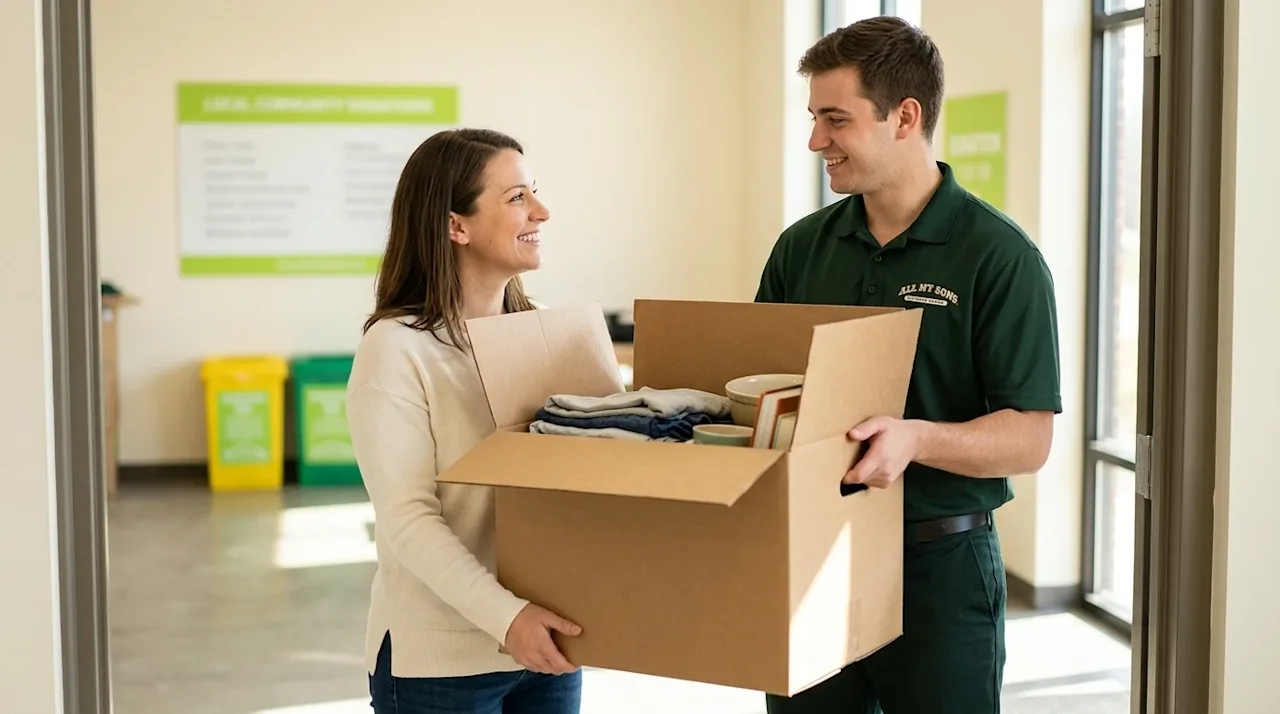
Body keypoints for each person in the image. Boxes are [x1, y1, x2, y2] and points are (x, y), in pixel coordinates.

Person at [756, 17, 1061, 714]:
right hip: (812, 559)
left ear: (906, 117)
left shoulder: (1000, 257)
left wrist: (917, 438)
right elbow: (762, 394)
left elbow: (1029, 439)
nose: (814, 141)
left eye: (835, 119)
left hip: (940, 574)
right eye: (813, 118)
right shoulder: (800, 249)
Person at [346, 128, 584, 713]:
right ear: (457, 226)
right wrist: (510, 620)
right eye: (517, 198)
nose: (541, 212)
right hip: (442, 666)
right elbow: (408, 522)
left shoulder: (546, 332)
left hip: (552, 644)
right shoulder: (396, 348)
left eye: (535, 193)